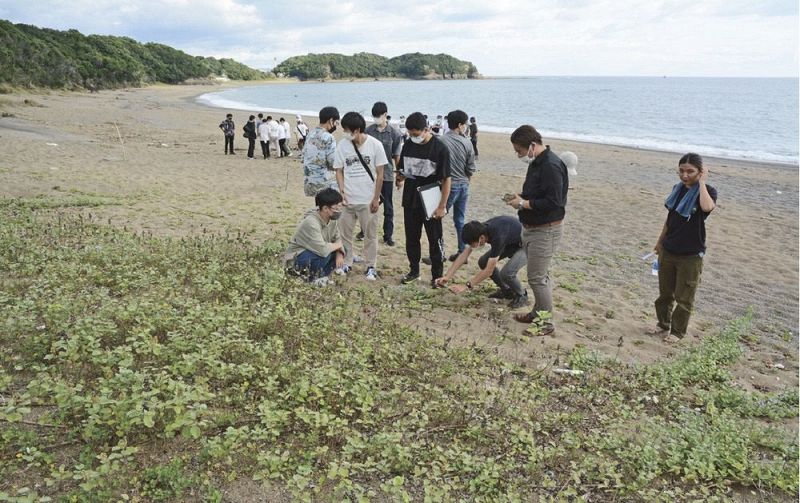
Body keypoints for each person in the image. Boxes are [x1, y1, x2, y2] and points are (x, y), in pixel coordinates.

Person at [506, 125, 568, 336]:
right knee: (541, 275)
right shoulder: (537, 163)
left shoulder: (551, 165)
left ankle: (546, 323)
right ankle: (538, 311)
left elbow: (554, 201)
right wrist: (520, 197)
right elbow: (535, 192)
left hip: (546, 230)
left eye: (520, 151)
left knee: (537, 277)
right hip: (531, 227)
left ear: (532, 145)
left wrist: (523, 204)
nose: (518, 155)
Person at [652, 153, 717, 343]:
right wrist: (659, 241)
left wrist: (702, 183)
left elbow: (706, 208)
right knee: (665, 294)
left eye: (690, 171)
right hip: (669, 249)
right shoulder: (677, 189)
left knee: (684, 297)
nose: (685, 175)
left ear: (700, 171)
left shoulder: (709, 191)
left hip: (691, 254)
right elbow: (670, 220)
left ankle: (677, 332)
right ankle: (662, 324)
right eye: (681, 171)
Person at [396, 112, 451, 286]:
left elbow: (447, 179)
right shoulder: (408, 145)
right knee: (412, 237)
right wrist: (400, 178)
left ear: (426, 129)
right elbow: (402, 169)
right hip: (411, 197)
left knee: (435, 239)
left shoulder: (440, 148)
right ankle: (414, 270)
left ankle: (437, 276)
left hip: (431, 197)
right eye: (410, 134)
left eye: (416, 134)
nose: (413, 137)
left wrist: (442, 205)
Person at [334, 112, 388, 281]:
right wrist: (341, 191)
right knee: (345, 234)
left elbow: (380, 174)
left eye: (348, 130)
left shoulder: (375, 145)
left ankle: (371, 266)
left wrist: (375, 198)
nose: (346, 133)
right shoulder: (342, 145)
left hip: (367, 199)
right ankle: (347, 262)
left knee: (370, 235)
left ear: (357, 130)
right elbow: (339, 170)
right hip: (348, 200)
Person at [434, 217, 529, 309]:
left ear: (482, 238)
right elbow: (464, 255)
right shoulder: (479, 230)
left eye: (472, 244)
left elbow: (489, 271)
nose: (472, 247)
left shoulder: (498, 237)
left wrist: (466, 286)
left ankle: (522, 295)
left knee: (507, 273)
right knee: (483, 262)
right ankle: (507, 290)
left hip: (527, 244)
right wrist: (447, 276)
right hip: (511, 242)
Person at [284, 188, 346, 286]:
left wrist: (339, 252)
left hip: (315, 251)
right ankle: (309, 278)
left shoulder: (332, 220)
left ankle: (320, 277)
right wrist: (339, 245)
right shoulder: (311, 222)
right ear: (325, 208)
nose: (339, 210)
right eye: (336, 207)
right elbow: (323, 250)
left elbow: (337, 238)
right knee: (324, 254)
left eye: (340, 206)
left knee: (340, 250)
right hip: (297, 259)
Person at [439, 110, 477, 261]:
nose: (466, 127)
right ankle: (462, 251)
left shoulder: (441, 141)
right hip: (464, 185)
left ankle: (439, 252)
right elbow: (470, 169)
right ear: (460, 125)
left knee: (438, 218)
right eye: (465, 124)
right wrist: (466, 181)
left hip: (449, 185)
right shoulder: (467, 142)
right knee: (459, 220)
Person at [365, 101, 404, 247]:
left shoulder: (394, 133)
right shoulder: (369, 131)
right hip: (370, 175)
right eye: (374, 116)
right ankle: (365, 231)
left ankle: (388, 235)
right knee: (368, 204)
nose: (376, 119)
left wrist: (399, 177)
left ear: (385, 115)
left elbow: (397, 156)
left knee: (388, 206)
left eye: (378, 116)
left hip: (387, 174)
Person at [303, 106, 340, 197]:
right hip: (323, 183)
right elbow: (333, 163)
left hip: (309, 182)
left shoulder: (310, 134)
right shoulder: (328, 137)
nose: (336, 126)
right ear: (331, 121)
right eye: (337, 123)